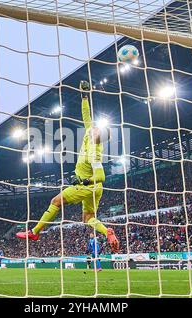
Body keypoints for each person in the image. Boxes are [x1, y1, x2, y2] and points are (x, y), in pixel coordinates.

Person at [16, 80, 119, 253]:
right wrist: (84, 96)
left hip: (87, 186)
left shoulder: (95, 152)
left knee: (55, 201)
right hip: (95, 190)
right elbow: (86, 116)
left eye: (97, 130)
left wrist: (83, 181)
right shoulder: (89, 133)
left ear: (99, 137)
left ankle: (34, 232)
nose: (94, 128)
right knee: (88, 218)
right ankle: (106, 231)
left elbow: (101, 176)